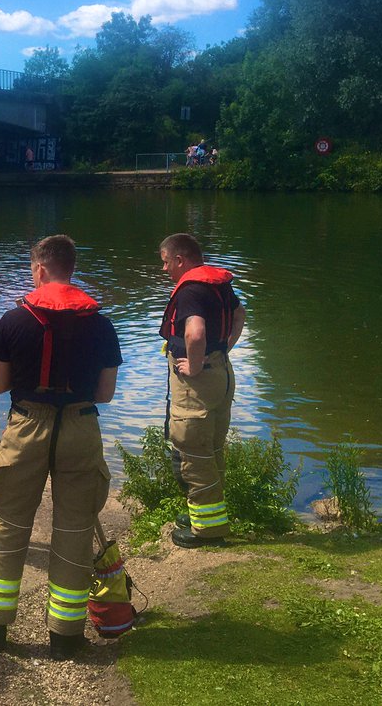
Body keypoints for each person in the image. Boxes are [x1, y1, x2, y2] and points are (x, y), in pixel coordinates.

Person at [0, 235, 121, 661]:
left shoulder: (13, 319)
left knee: (7, 522)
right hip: (81, 428)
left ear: (41, 269)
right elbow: (105, 394)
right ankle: (65, 635)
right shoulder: (101, 323)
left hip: (28, 425)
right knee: (74, 528)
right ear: (71, 268)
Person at [157, 232, 246, 548]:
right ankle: (208, 515)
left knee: (191, 451)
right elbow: (239, 314)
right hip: (221, 374)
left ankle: (206, 531)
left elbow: (194, 334)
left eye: (166, 263)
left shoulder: (191, 290)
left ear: (180, 259)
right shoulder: (219, 284)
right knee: (212, 448)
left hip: (198, 382)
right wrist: (223, 349)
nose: (165, 270)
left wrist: (194, 366)